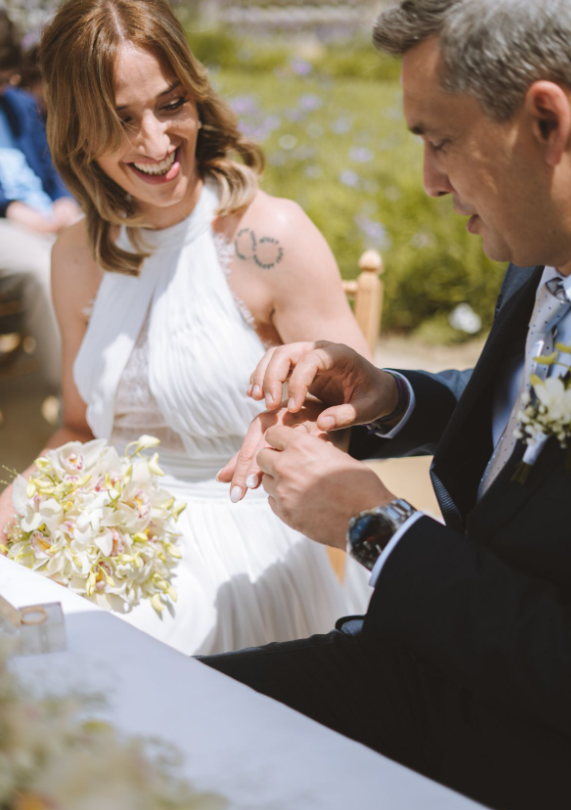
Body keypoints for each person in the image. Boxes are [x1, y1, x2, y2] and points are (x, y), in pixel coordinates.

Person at [204, 1, 571, 810]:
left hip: (531, 757)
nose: (428, 182)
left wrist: (376, 529)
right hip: (431, 666)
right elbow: (529, 432)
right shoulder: (540, 252)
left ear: (546, 119)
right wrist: (386, 394)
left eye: (438, 140)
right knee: (158, 712)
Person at [0, 0, 372, 656]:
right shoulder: (78, 254)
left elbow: (356, 418)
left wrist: (292, 433)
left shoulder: (269, 236)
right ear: (78, 130)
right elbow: (82, 428)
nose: (156, 142)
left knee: (115, 658)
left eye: (170, 104)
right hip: (111, 535)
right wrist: (15, 509)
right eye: (120, 119)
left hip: (245, 541)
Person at [0, 11, 81, 390]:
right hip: (11, 225)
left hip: (48, 216)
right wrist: (11, 209)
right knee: (41, 265)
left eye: (6, 78)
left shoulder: (16, 105)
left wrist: (64, 199)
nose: (4, 87)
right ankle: (71, 388)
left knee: (110, 241)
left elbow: (53, 167)